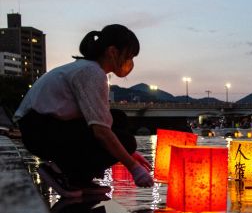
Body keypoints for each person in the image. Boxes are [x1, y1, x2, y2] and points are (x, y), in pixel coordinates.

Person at [14, 24, 154, 197]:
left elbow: (101, 119)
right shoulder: (91, 73)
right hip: (41, 132)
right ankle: (62, 173)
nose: (129, 62)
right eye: (129, 56)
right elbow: (101, 132)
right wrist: (133, 166)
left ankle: (79, 177)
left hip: (40, 129)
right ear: (112, 52)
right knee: (126, 140)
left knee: (118, 119)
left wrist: (129, 155)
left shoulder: (86, 68)